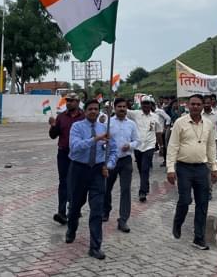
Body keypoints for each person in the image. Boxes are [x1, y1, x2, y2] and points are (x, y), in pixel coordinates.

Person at [65, 99, 117, 260]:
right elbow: (75, 147)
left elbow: (114, 150)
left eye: (96, 109)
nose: (93, 111)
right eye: (90, 109)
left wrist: (108, 165)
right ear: (85, 111)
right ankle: (71, 229)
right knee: (75, 205)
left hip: (97, 171)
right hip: (79, 170)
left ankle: (95, 246)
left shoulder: (105, 129)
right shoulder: (77, 127)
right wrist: (95, 139)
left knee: (97, 210)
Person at [166, 94, 217, 251]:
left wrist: (214, 168)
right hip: (184, 168)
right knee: (185, 200)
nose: (195, 107)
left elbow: (211, 147)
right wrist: (170, 169)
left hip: (202, 168)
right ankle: (178, 220)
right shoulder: (180, 123)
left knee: (203, 203)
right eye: (192, 104)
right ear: (187, 105)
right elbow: (173, 146)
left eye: (198, 104)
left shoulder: (208, 124)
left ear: (203, 106)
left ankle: (199, 238)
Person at [103, 98, 139, 233]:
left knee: (125, 190)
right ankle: (105, 211)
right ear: (114, 108)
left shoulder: (131, 124)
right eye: (119, 106)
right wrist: (105, 145)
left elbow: (138, 140)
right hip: (111, 160)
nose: (122, 109)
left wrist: (129, 145)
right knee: (107, 187)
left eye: (124, 106)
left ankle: (123, 219)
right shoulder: (108, 123)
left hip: (126, 161)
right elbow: (103, 140)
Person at [48, 92, 84, 225]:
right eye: (67, 100)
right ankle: (61, 212)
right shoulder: (61, 117)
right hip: (63, 154)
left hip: (79, 155)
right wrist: (52, 126)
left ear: (78, 102)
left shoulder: (84, 117)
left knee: (75, 183)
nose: (68, 102)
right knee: (63, 182)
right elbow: (53, 135)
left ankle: (74, 208)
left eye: (72, 100)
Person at [127, 96, 159, 202]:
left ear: (151, 105)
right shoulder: (135, 114)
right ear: (141, 105)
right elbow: (123, 110)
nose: (146, 105)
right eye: (144, 103)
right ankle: (145, 183)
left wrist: (161, 146)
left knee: (145, 168)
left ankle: (143, 192)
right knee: (141, 168)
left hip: (149, 145)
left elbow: (158, 131)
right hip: (138, 146)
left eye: (148, 103)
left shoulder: (155, 117)